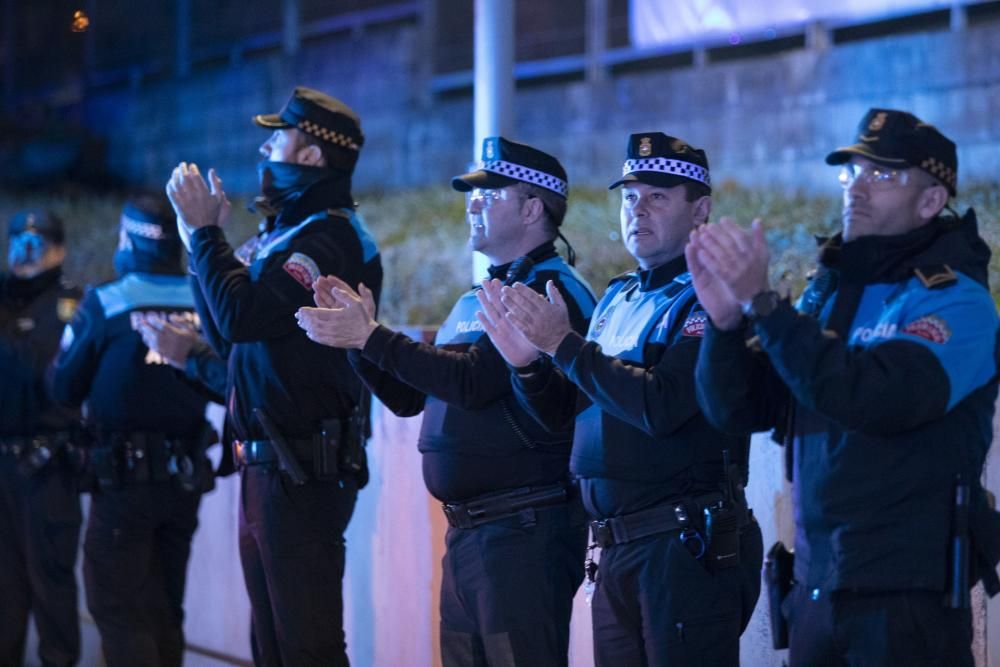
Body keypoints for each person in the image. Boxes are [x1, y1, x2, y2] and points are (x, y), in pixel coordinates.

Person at [687, 108, 1000, 665]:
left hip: (906, 603)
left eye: (882, 176)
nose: (857, 188)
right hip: (816, 591)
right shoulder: (833, 294)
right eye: (850, 173)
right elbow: (737, 408)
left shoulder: (957, 300)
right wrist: (725, 325)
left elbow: (877, 398)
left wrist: (765, 304)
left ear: (931, 202)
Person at [296, 136, 597, 666]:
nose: (471, 204)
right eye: (470, 194)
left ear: (533, 209)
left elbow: (473, 382)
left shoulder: (553, 290)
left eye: (489, 193)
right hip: (472, 536)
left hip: (524, 534)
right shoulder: (474, 297)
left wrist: (371, 337)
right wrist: (357, 342)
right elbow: (414, 397)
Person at [478, 132, 763, 666]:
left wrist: (563, 344)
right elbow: (568, 415)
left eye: (659, 196)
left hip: (682, 546)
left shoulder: (711, 296)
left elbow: (662, 405)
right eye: (630, 196)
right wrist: (527, 364)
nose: (639, 209)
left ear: (700, 209)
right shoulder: (617, 296)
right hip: (613, 549)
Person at [166, 86, 382, 666]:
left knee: (304, 644)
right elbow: (226, 333)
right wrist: (197, 242)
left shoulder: (329, 239)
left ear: (310, 156)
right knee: (271, 646)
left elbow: (243, 315)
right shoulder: (285, 234)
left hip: (303, 468)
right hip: (268, 465)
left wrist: (209, 235)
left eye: (276, 137)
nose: (264, 149)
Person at [48, 194, 214, 667]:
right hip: (183, 482)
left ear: (130, 239)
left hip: (123, 485)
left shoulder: (107, 301)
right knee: (165, 610)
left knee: (118, 608)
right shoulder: (201, 296)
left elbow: (63, 386)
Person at [0, 209, 82, 667]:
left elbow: (49, 374)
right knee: (4, 593)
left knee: (51, 588)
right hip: (2, 466)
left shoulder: (72, 304)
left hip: (48, 466)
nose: (25, 251)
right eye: (18, 240)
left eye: (37, 242)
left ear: (59, 249)